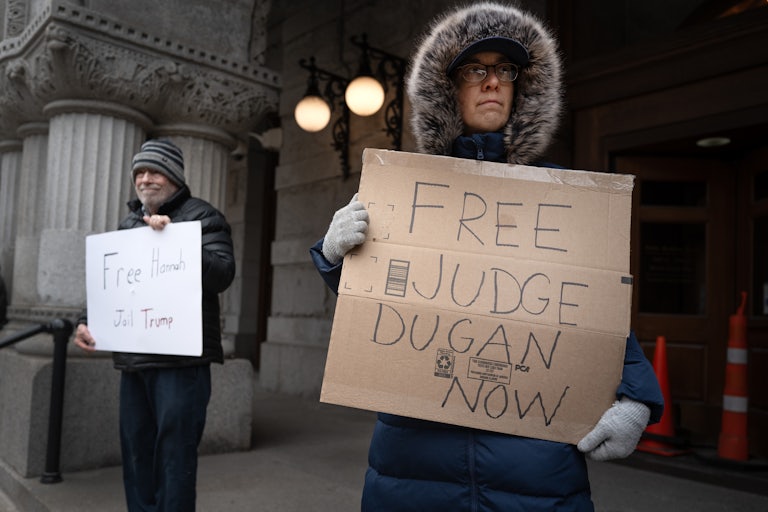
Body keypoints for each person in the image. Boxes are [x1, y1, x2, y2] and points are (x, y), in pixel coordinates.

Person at [311, 3, 664, 511]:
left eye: (505, 70)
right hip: (416, 455)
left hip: (533, 460)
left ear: (522, 88)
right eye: (476, 69)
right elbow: (381, 303)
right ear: (448, 89)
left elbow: (593, 305)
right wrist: (334, 255)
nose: (492, 81)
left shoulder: (561, 197)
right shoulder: (406, 191)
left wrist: (635, 394)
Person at [74, 139, 235, 512]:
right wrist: (86, 320)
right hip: (135, 363)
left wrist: (178, 242)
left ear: (174, 177)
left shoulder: (203, 216)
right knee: (136, 455)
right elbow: (109, 286)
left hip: (181, 366)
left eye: (154, 171)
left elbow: (223, 274)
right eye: (139, 173)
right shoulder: (128, 223)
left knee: (174, 460)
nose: (145, 179)